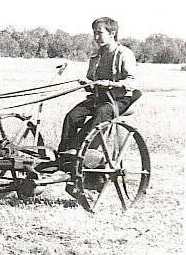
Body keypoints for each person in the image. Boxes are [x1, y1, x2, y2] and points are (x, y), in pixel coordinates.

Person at [57, 17, 138, 156]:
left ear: (112, 33)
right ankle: (63, 154)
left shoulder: (124, 54)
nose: (96, 37)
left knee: (101, 113)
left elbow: (132, 83)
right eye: (94, 33)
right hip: (99, 97)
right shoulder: (96, 57)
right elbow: (92, 82)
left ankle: (83, 152)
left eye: (99, 33)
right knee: (72, 116)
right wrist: (87, 84)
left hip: (120, 99)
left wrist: (109, 84)